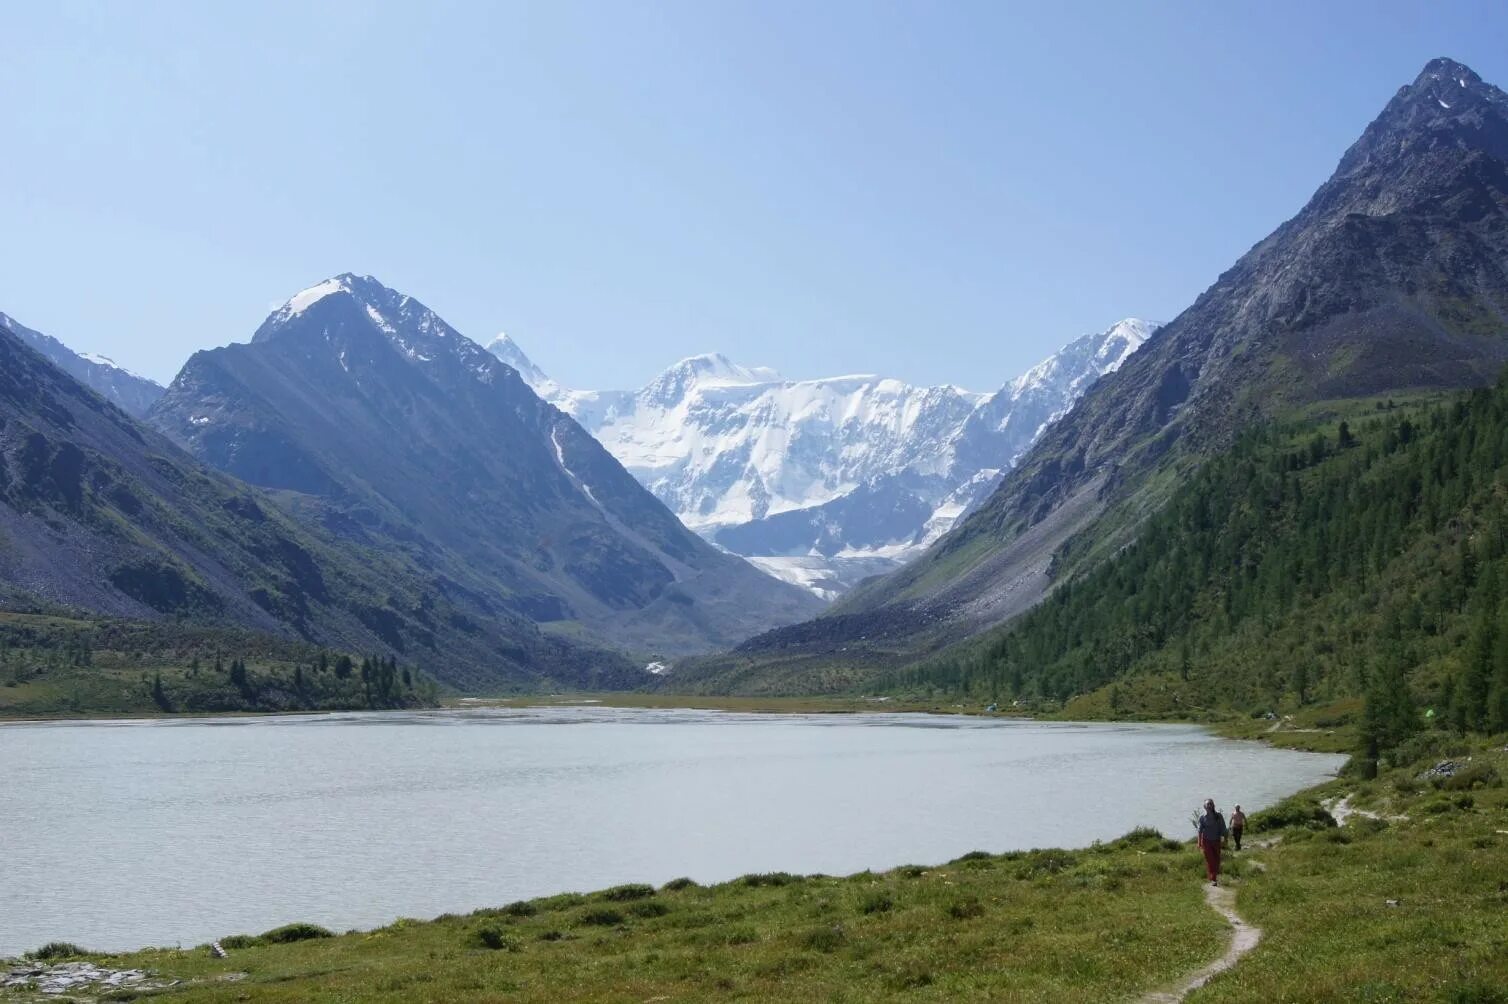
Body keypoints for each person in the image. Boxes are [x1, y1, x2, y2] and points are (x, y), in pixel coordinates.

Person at [1196, 798, 1228, 885]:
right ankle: (1213, 879)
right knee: (1210, 860)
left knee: (1217, 860)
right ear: (1204, 807)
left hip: (1216, 841)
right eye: (1207, 804)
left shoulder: (1218, 816)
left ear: (1213, 805)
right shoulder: (1202, 818)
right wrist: (1199, 843)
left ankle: (1214, 875)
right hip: (1206, 841)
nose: (1209, 805)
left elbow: (1224, 829)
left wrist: (1225, 839)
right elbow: (1199, 831)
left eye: (1211, 804)